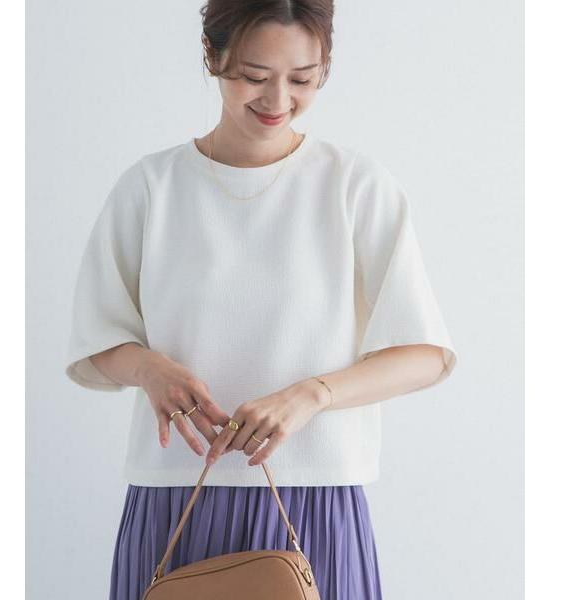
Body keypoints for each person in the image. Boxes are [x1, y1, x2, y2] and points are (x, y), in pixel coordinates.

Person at [64, 1, 458, 598]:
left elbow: (424, 353)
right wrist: (148, 368)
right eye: (254, 75)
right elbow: (97, 339)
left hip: (315, 496)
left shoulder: (355, 186)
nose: (278, 99)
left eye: (302, 79)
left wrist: (312, 395)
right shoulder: (152, 187)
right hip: (175, 495)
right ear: (212, 55)